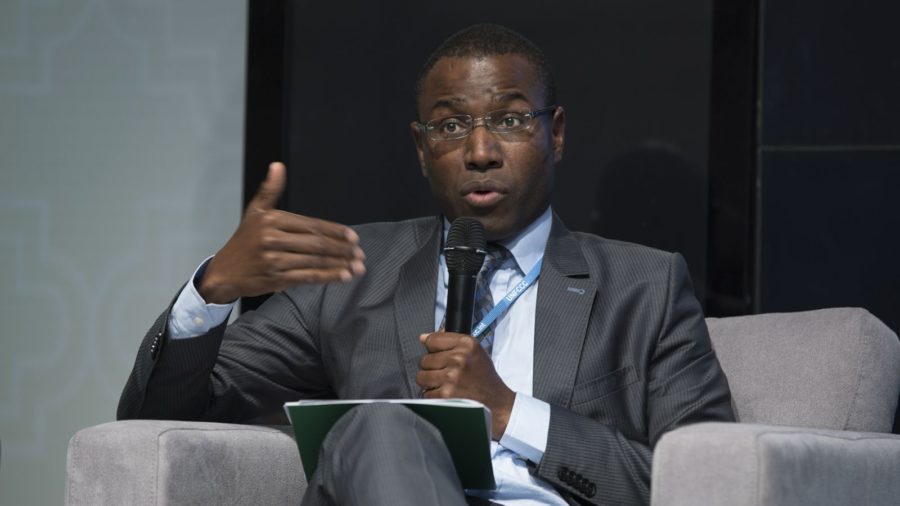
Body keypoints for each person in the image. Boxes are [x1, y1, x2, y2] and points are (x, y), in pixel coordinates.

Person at [118, 24, 734, 505]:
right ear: (421, 148)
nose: (481, 151)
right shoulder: (352, 273)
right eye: (451, 125)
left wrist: (508, 412)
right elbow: (159, 421)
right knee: (382, 428)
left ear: (556, 133)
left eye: (510, 120)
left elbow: (711, 485)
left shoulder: (644, 287)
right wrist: (214, 289)